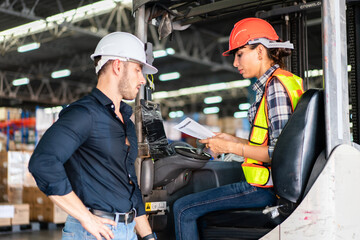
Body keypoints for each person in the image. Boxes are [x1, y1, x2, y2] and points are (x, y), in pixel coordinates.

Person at [173, 17, 304, 240]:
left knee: (183, 208)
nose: (235, 63)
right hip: (270, 184)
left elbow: (281, 155)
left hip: (264, 188)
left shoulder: (275, 88)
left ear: (260, 51)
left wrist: (230, 147)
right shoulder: (284, 82)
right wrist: (232, 141)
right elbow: (273, 143)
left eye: (240, 54)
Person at [29, 32, 158, 240]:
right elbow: (43, 163)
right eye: (137, 70)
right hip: (93, 232)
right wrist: (85, 218)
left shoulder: (125, 117)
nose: (142, 79)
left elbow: (129, 184)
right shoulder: (84, 114)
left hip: (128, 230)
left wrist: (148, 236)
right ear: (118, 66)